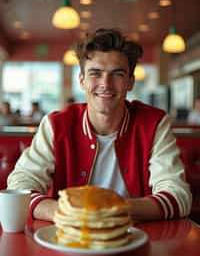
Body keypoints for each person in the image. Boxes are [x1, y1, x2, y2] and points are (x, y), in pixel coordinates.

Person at [7, 28, 192, 222]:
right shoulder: (55, 125)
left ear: (130, 82)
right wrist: (64, 213)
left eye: (117, 74)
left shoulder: (154, 124)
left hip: (138, 240)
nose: (106, 83)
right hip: (67, 240)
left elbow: (178, 195)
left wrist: (108, 210)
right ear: (82, 80)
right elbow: (20, 186)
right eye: (95, 73)